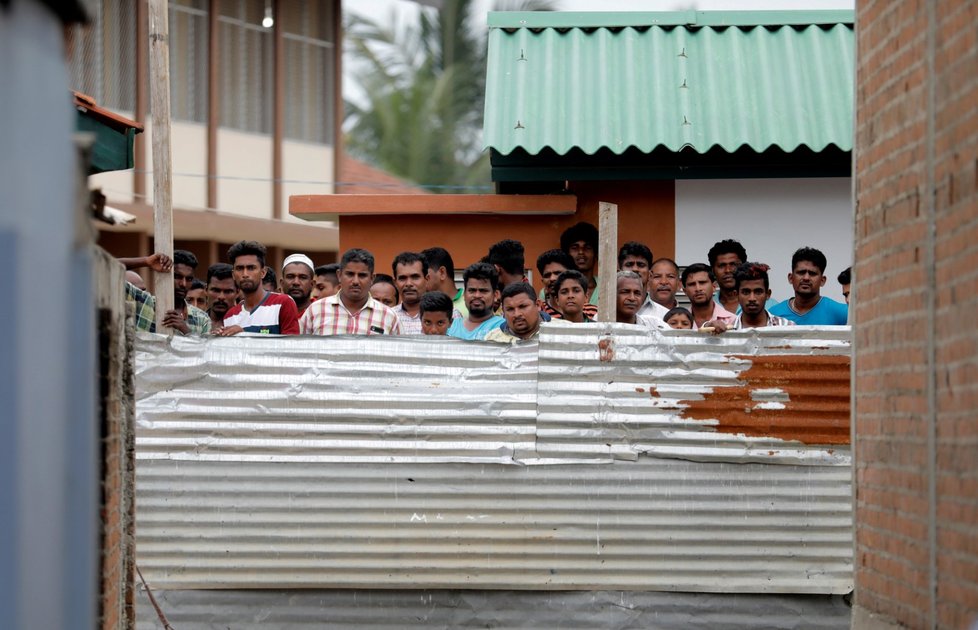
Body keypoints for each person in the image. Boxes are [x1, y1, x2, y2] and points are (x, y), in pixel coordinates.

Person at [300, 248, 401, 335]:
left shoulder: (389, 317)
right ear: (339, 275)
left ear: (372, 278)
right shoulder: (316, 310)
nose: (355, 281)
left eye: (362, 275)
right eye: (350, 274)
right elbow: (300, 351)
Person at [119, 250, 211, 335]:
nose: (183, 284)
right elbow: (106, 267)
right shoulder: (144, 303)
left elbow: (206, 350)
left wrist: (186, 330)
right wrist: (146, 261)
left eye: (189, 279)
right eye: (177, 277)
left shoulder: (201, 319)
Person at [219, 240, 299, 336]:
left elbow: (291, 346)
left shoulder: (283, 303)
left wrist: (245, 333)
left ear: (263, 272)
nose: (245, 274)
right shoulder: (230, 315)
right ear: (233, 274)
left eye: (251, 268)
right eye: (240, 268)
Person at [769, 247, 848, 325]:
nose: (806, 278)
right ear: (790, 278)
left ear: (822, 280)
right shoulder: (773, 314)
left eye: (812, 273)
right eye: (801, 272)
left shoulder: (842, 313)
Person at [536, 249, 599, 320]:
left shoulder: (594, 313)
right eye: (547, 275)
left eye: (557, 273)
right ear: (542, 280)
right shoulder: (538, 313)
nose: (552, 278)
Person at [447, 263, 504, 340]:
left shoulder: (503, 327)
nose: (477, 295)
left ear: (496, 295)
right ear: (464, 294)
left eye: (483, 291)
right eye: (472, 290)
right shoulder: (450, 326)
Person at [730, 263, 795, 329]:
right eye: (746, 292)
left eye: (758, 292)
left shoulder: (787, 328)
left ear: (768, 294)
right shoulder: (727, 332)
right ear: (736, 295)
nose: (752, 298)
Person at [618, 241, 669, 321]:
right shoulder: (605, 314)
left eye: (641, 265)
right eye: (629, 265)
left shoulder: (664, 315)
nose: (635, 269)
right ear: (619, 272)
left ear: (650, 274)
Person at [681, 263, 735, 331]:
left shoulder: (732, 320)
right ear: (685, 291)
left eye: (702, 283)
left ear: (714, 286)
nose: (698, 289)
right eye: (692, 284)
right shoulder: (678, 322)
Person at [560, 221, 600, 305]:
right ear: (567, 253)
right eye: (575, 248)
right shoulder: (557, 287)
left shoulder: (606, 286)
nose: (581, 252)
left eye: (587, 248)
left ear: (596, 254)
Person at [422, 246, 467, 317]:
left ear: (442, 272)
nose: (420, 280)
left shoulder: (470, 304)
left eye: (425, 274)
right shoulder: (420, 306)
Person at [390, 251, 428, 334]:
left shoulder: (447, 314)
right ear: (395, 283)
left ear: (427, 279)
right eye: (402, 278)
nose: (408, 284)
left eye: (415, 277)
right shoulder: (387, 316)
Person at [707, 239, 748, 314]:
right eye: (721, 266)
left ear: (744, 267)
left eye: (733, 265)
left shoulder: (768, 305)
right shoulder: (707, 307)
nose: (728, 270)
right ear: (713, 271)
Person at [280, 253, 316, 318]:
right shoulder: (273, 312)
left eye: (303, 277)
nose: (296, 282)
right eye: (290, 277)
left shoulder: (321, 311)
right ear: (282, 283)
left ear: (312, 284)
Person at [205, 262, 236, 332]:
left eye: (228, 291)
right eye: (216, 290)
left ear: (238, 292)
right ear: (206, 290)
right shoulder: (193, 322)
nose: (221, 297)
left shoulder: (246, 322)